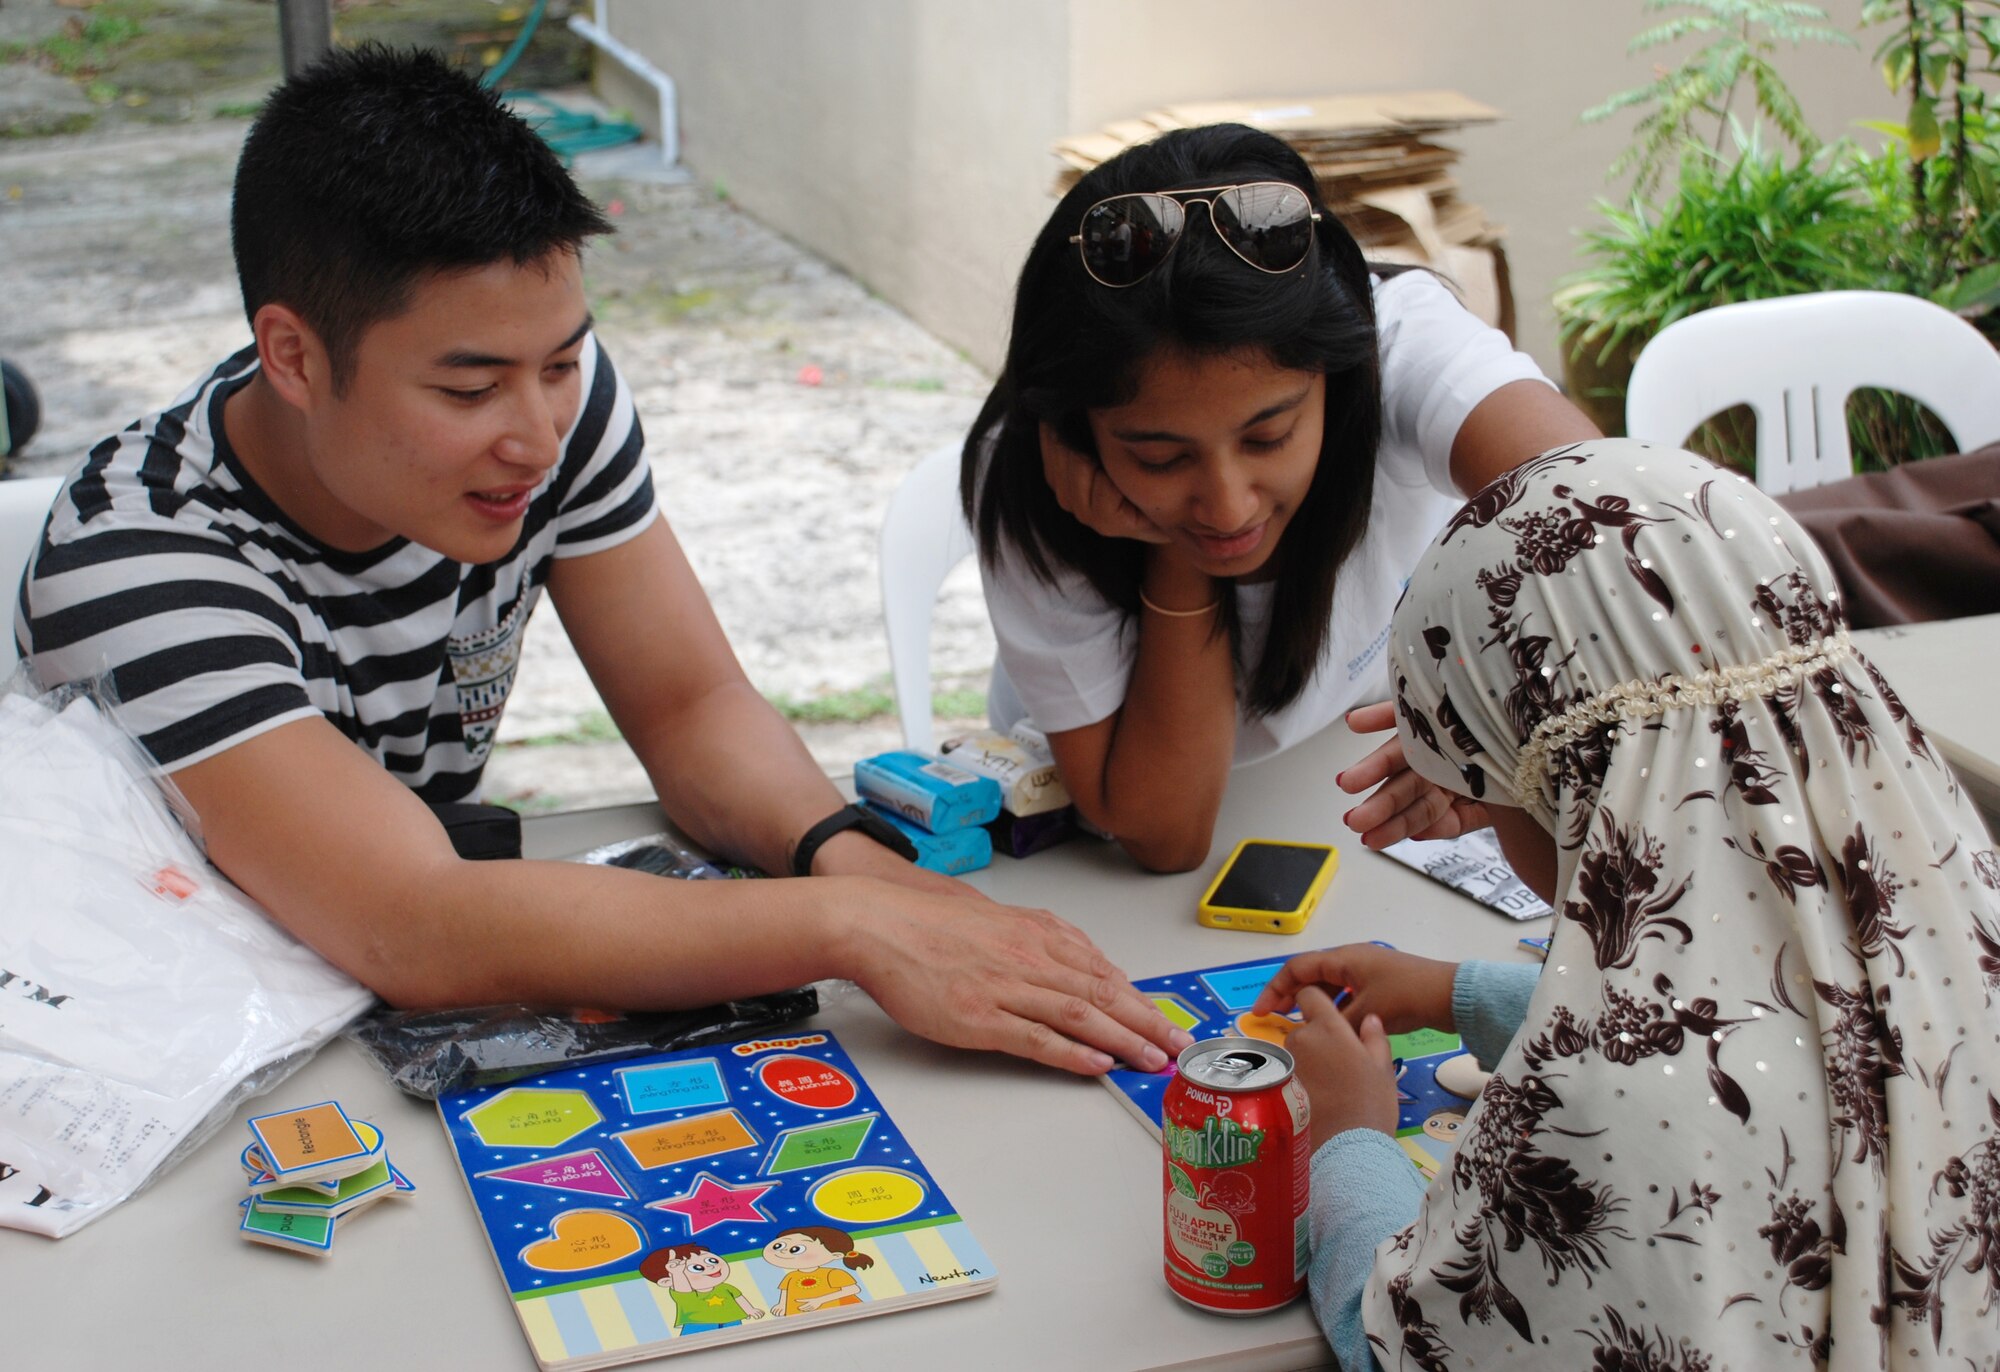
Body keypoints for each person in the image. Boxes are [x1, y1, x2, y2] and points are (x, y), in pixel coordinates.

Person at [12, 45, 1188, 1080]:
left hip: (425, 983)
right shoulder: (139, 558)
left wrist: (854, 863)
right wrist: (843, 928)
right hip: (201, 1054)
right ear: (293, 354)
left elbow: (688, 706)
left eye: (563, 362)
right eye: (467, 388)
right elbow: (410, 924)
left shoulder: (537, 410)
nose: (534, 432)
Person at [1254, 439, 2000, 1368]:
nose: (1489, 825)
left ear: (1575, 789)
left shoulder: (1611, 1116)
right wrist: (1462, 994)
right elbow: (1784, 1038)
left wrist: (1348, 1144)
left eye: (1486, 800)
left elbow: (1409, 1349)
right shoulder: (1953, 911)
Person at [960, 124, 1600, 873]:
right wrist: (1170, 551)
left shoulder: (1399, 340)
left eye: (1268, 437)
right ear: (1079, 430)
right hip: (1083, 825)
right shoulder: (1035, 474)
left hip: (1323, 772)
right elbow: (1163, 832)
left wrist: (1505, 703)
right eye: (1159, 456)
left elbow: (1621, 518)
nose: (1228, 508)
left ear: (1337, 374)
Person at [639, 1244, 766, 1333]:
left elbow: (738, 1298)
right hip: (699, 1324)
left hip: (732, 1320)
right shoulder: (686, 1294)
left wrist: (750, 1310)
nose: (711, 1267)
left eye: (711, 1260)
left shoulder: (726, 1287)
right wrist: (677, 1273)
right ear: (667, 1281)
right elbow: (683, 1289)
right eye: (697, 1268)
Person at [764, 1226, 872, 1315]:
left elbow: (853, 1289)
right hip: (796, 1314)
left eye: (796, 1249)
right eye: (779, 1246)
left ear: (836, 1255)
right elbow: (785, 1292)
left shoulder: (832, 1273)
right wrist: (782, 1305)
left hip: (834, 1312)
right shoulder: (791, 1276)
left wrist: (819, 1300)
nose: (783, 1251)